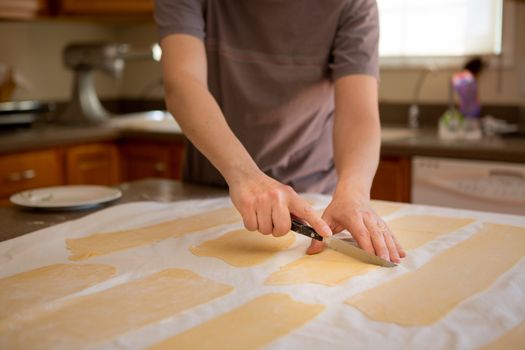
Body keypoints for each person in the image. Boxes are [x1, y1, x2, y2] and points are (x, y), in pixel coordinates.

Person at [155, 0, 405, 262]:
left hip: (313, 199)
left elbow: (358, 113)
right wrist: (244, 175)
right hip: (213, 188)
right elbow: (182, 83)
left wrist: (354, 192)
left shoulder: (353, 4)